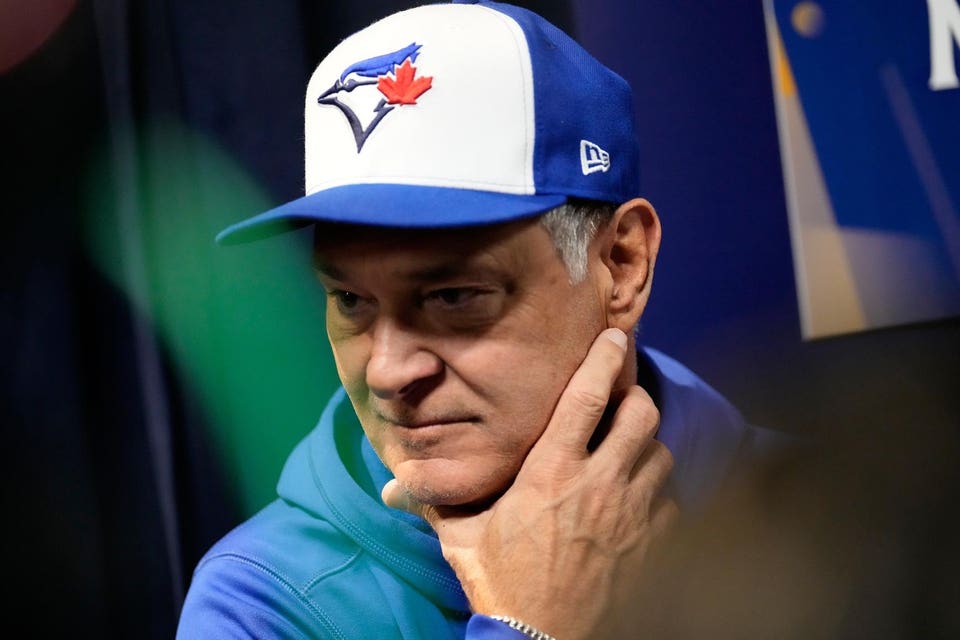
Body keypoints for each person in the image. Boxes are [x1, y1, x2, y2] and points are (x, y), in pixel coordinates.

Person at [176, 1, 786, 638]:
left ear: (622, 264)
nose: (386, 372)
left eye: (454, 296)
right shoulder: (261, 603)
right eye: (351, 301)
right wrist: (534, 624)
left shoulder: (816, 514)